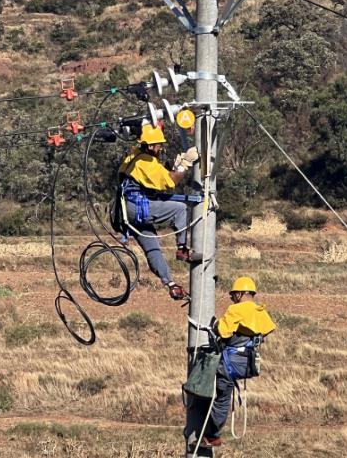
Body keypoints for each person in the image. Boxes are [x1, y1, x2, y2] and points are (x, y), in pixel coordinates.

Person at [118, 124, 199, 301]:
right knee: (179, 209)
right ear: (150, 146)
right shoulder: (146, 162)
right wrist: (184, 165)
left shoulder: (136, 154)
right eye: (158, 145)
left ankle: (169, 283)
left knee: (152, 247)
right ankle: (182, 249)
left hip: (125, 210)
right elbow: (170, 182)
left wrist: (173, 166)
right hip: (137, 206)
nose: (160, 148)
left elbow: (158, 177)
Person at [202, 276, 275, 447]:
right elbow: (269, 328)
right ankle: (212, 432)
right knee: (223, 396)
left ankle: (211, 436)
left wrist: (217, 326)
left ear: (241, 294)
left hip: (229, 363)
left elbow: (223, 332)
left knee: (220, 398)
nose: (232, 298)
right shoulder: (259, 311)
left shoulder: (237, 310)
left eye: (234, 295)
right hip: (247, 364)